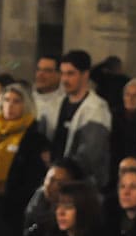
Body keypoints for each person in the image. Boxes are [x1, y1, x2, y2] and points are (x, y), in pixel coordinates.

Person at [0, 82, 49, 228]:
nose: (10, 106)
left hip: (15, 207)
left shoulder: (34, 137)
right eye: (6, 100)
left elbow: (33, 177)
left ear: (26, 105)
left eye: (16, 101)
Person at [47, 50, 112, 188]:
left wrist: (64, 173)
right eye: (62, 73)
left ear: (85, 74)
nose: (65, 79)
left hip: (81, 184)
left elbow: (89, 155)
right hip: (57, 179)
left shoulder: (96, 109)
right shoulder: (58, 103)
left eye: (70, 73)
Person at [21, 156, 86, 236]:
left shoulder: (77, 214)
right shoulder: (40, 197)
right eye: (48, 179)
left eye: (58, 182)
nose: (48, 185)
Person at [30, 54, 65, 143]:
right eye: (38, 69)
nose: (40, 74)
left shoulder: (66, 102)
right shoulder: (27, 98)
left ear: (59, 74)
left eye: (47, 71)